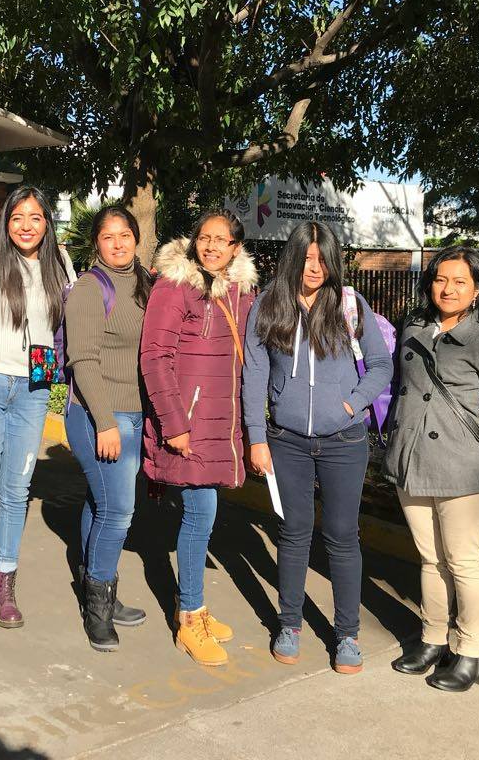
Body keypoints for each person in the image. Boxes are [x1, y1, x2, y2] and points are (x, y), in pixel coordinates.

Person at [242, 220, 393, 674]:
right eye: (307, 257)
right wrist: (256, 436)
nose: (314, 267)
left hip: (344, 441)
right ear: (292, 257)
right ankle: (289, 624)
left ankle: (347, 634)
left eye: (322, 258)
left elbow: (381, 365)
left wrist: (352, 404)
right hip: (286, 440)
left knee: (343, 537)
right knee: (293, 533)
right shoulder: (269, 304)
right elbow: (254, 372)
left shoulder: (349, 304)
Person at [384, 246, 479, 691]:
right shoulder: (414, 327)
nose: (448, 289)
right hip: (412, 458)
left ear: (477, 290)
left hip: (462, 463)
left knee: (464, 559)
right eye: (441, 279)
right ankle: (433, 639)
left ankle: (472, 651)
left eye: (461, 281)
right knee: (430, 557)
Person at [141, 209, 258, 666]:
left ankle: (193, 606)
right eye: (204, 238)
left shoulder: (241, 293)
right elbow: (155, 355)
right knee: (199, 516)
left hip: (220, 426)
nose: (210, 246)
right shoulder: (175, 286)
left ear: (235, 247)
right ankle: (189, 618)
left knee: (202, 516)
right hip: (190, 425)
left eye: (221, 240)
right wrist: (174, 423)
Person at [0, 186, 75, 631]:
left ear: (47, 223)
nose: (26, 226)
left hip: (35, 381)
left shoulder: (60, 261)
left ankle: (4, 585)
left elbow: (70, 316)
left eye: (35, 217)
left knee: (17, 490)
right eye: (17, 217)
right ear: (5, 221)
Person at [62, 204, 154, 651]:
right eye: (107, 236)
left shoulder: (145, 282)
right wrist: (105, 422)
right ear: (96, 243)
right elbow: (83, 360)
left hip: (134, 413)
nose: (118, 244)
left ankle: (99, 589)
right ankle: (97, 609)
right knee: (118, 511)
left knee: (101, 504)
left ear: (136, 238)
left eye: (125, 235)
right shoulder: (88, 289)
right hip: (98, 414)